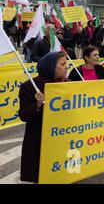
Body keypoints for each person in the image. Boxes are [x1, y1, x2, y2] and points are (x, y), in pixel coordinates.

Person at [18, 52, 69, 183]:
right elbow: (23, 115)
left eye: (66, 63)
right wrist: (38, 104)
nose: (67, 66)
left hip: (63, 138)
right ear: (51, 67)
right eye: (63, 64)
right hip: (40, 140)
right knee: (42, 175)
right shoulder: (29, 86)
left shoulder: (67, 84)